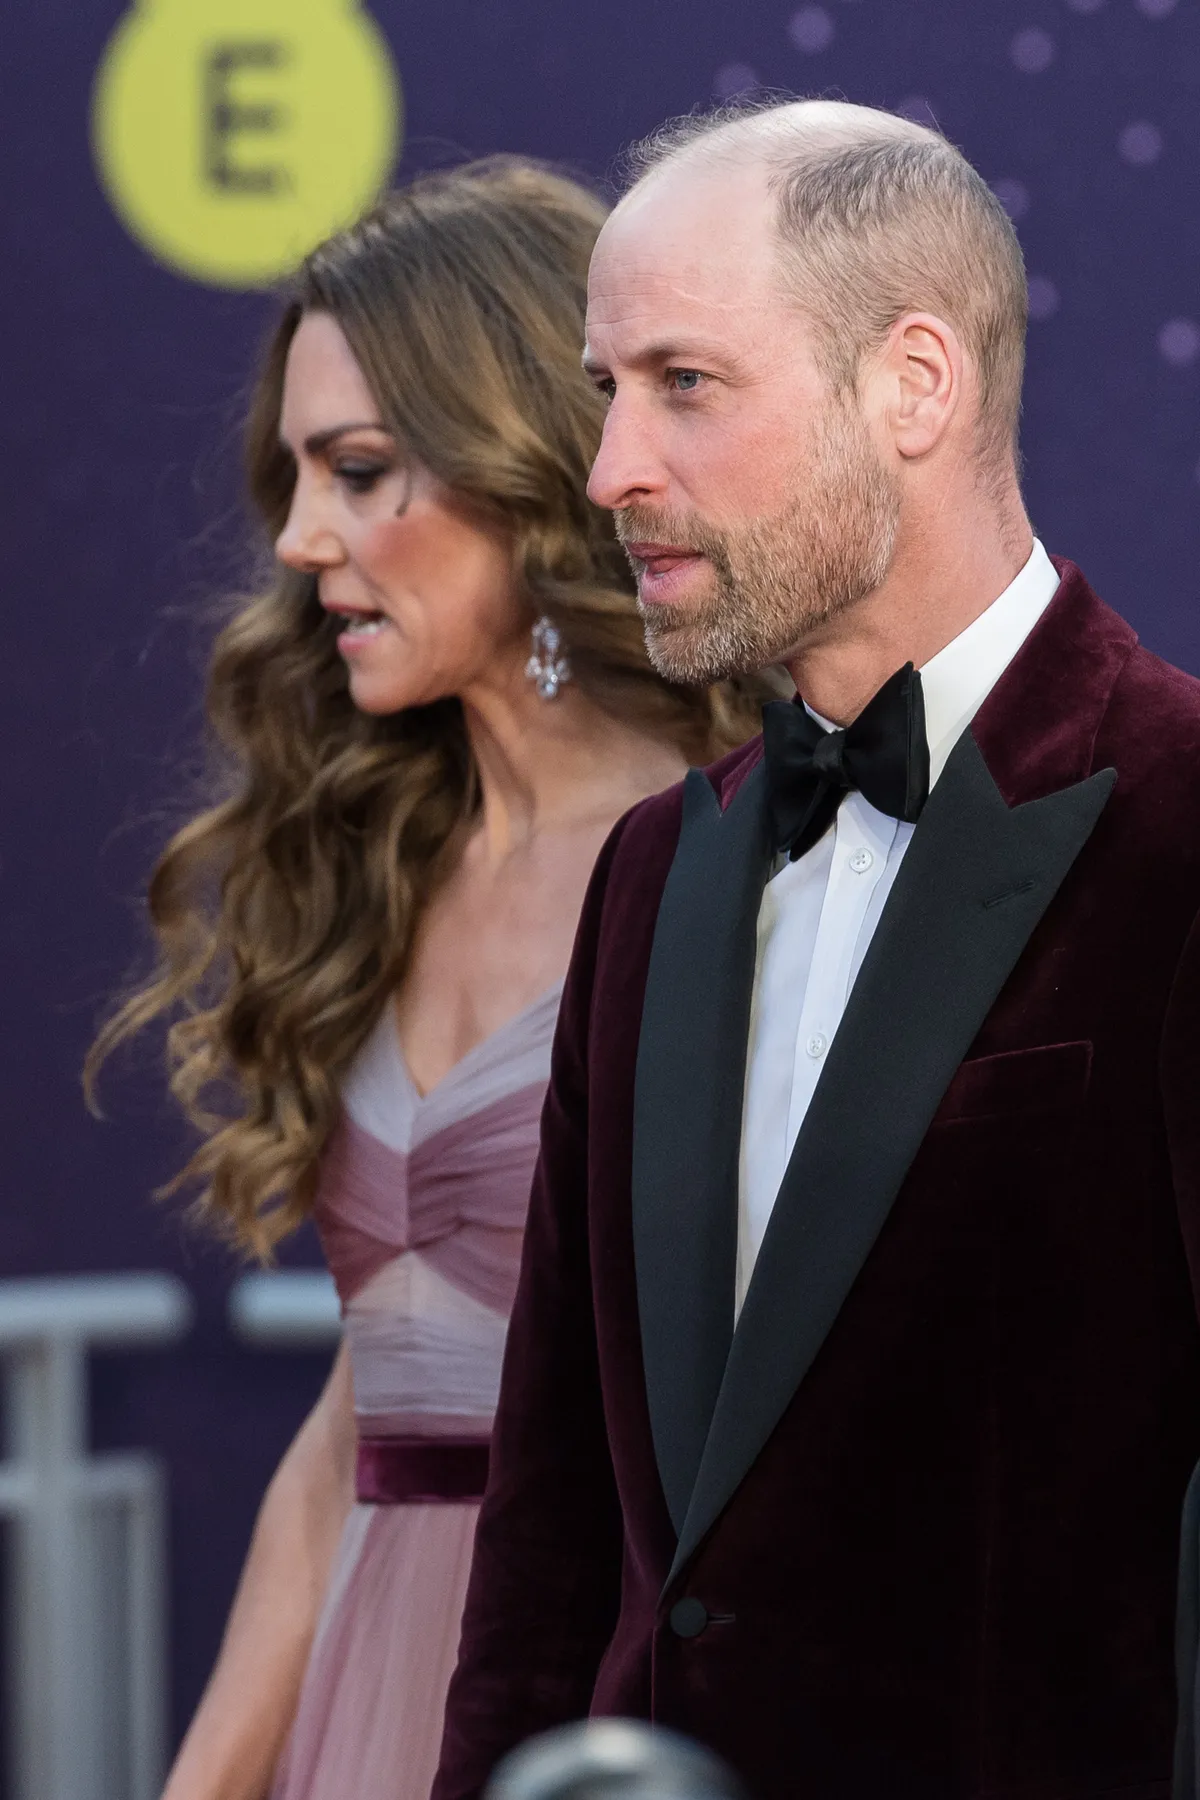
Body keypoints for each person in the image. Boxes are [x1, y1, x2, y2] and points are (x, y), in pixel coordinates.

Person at [432, 100, 1200, 1800]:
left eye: (683, 385)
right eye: (604, 391)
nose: (611, 467)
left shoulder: (1182, 824)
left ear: (912, 385)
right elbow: (553, 1529)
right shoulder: (658, 871)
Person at [87, 158, 765, 1800]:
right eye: (296, 473)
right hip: (370, 1674)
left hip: (625, 1690)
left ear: (529, 465)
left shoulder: (749, 858)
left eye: (362, 469)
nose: (303, 533)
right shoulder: (388, 855)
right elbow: (352, 1440)